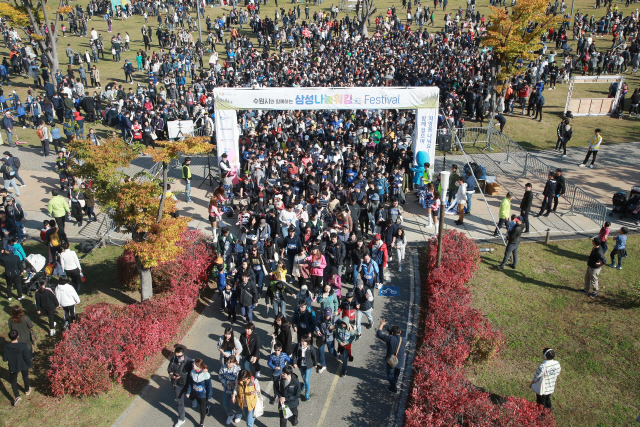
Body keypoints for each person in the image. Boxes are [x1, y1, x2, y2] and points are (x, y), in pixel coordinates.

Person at [3, 329, 33, 406]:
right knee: (25, 377)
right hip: (23, 364)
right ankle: (27, 390)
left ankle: (17, 396)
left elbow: (5, 359)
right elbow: (27, 357)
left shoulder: (6, 347)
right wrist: (30, 364)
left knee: (13, 381)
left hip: (13, 365)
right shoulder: (23, 345)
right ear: (18, 336)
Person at [376, 317, 406, 394]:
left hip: (391, 361)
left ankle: (393, 387)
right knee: (396, 373)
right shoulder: (404, 339)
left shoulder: (390, 339)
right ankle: (394, 381)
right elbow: (397, 338)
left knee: (390, 374)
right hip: (400, 361)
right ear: (400, 332)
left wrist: (381, 325)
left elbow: (379, 334)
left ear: (392, 333)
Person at [167, 344, 193, 427]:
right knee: (179, 402)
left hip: (187, 384)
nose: (178, 357)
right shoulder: (173, 360)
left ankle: (194, 399)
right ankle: (181, 419)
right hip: (177, 384)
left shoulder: (188, 361)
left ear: (183, 354)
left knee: (192, 396)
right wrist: (172, 376)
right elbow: (169, 370)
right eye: (176, 355)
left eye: (180, 356)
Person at [185, 358, 213, 427]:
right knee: (200, 403)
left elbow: (209, 386)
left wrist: (209, 396)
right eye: (193, 364)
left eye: (194, 364)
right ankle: (207, 406)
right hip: (195, 393)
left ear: (199, 366)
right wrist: (188, 392)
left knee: (202, 409)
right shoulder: (192, 372)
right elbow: (190, 383)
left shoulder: (206, 375)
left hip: (203, 395)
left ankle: (201, 423)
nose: (193, 365)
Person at [291, 336, 319, 402]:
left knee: (307, 379)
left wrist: (315, 364)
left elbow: (314, 356)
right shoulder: (298, 346)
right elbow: (294, 354)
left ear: (308, 343)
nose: (302, 343)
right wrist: (294, 363)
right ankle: (305, 384)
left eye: (304, 341)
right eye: (301, 341)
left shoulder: (311, 348)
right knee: (304, 377)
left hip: (308, 366)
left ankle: (307, 394)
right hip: (301, 365)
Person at [219, 355, 242, 424]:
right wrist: (228, 382)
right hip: (227, 389)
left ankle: (239, 413)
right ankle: (231, 414)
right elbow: (220, 376)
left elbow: (238, 383)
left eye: (229, 363)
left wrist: (234, 394)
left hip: (236, 390)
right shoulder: (223, 367)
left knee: (237, 403)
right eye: (227, 362)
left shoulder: (238, 370)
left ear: (234, 363)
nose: (228, 364)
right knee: (225, 404)